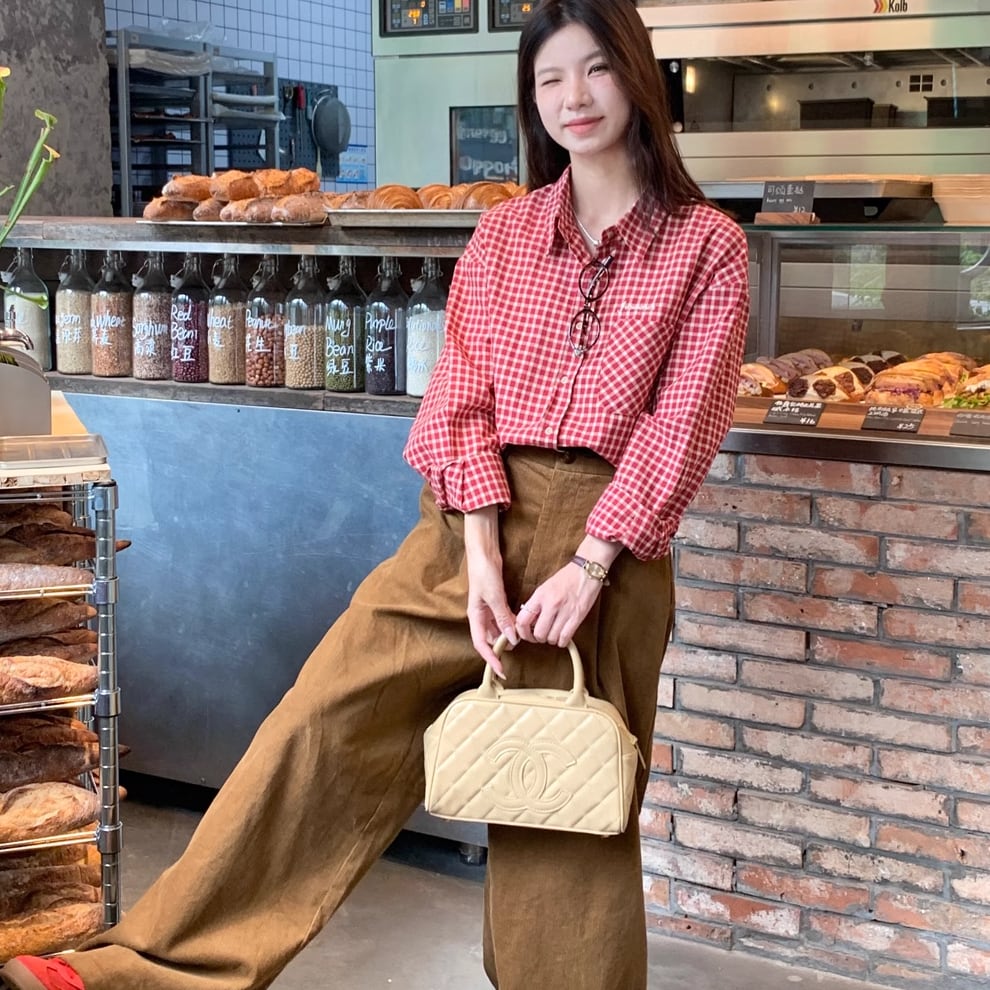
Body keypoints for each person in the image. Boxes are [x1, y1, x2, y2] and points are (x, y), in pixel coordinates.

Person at [0, 2, 748, 989]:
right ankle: (142, 972)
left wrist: (591, 565)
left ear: (638, 77)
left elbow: (683, 422)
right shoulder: (505, 234)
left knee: (559, 805)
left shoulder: (706, 246)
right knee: (321, 725)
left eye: (597, 69)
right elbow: (459, 396)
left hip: (605, 543)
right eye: (550, 77)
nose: (574, 96)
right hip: (469, 521)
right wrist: (479, 552)